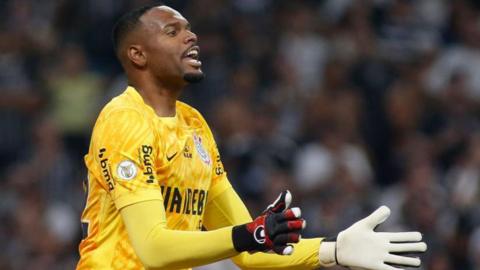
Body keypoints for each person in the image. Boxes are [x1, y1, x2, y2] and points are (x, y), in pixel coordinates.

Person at [77, 3, 427, 270]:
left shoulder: (194, 125)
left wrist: (332, 251)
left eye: (189, 29)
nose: (191, 36)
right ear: (137, 55)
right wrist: (250, 234)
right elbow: (152, 248)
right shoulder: (124, 119)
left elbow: (249, 251)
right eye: (172, 31)